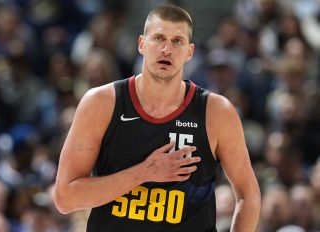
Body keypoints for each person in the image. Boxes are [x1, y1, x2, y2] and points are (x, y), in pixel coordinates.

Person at [54, 4, 260, 232]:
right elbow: (65, 197)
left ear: (190, 52)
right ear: (142, 44)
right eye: (159, 38)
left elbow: (248, 194)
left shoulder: (216, 111)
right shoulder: (101, 103)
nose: (167, 49)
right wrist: (145, 171)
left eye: (177, 41)